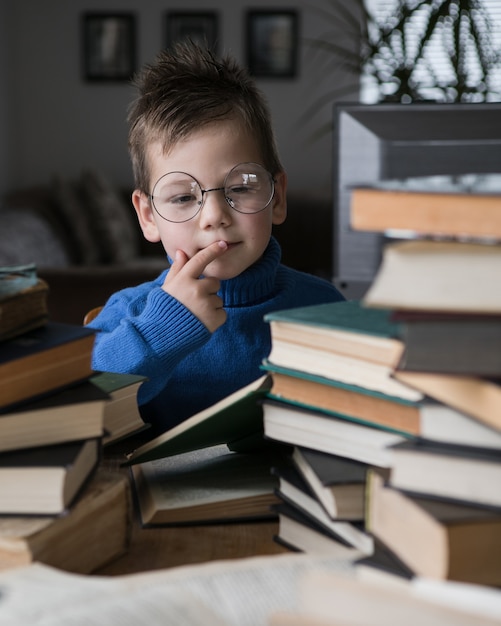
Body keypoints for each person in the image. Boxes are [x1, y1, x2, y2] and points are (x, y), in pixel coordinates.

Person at [88, 41, 345, 435]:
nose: (214, 217)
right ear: (148, 216)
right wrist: (159, 333)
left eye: (240, 187)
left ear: (277, 197)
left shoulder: (325, 309)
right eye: (183, 197)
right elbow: (78, 408)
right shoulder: (132, 314)